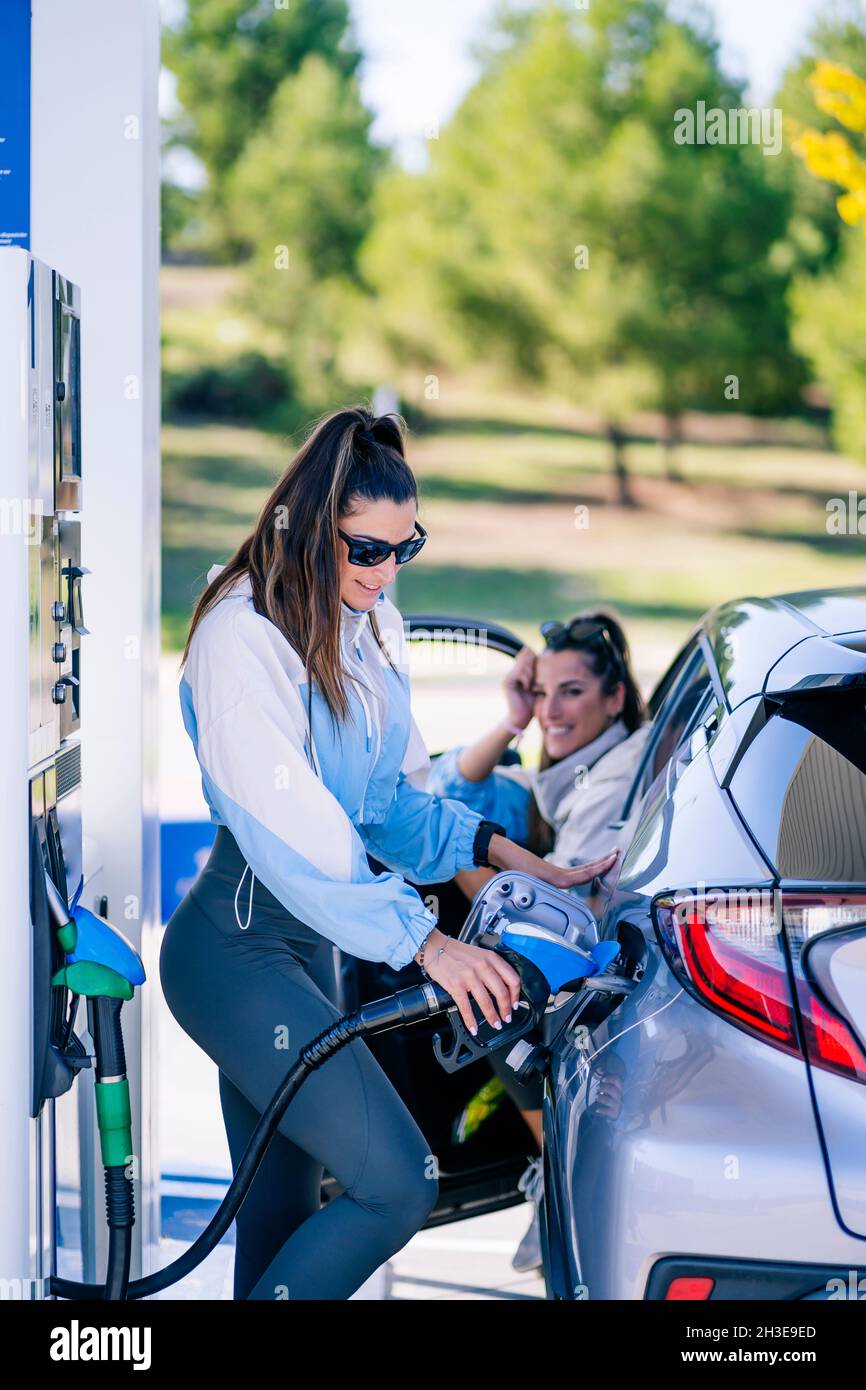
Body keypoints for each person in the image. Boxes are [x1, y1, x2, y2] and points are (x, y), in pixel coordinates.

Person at [158, 406, 619, 1301]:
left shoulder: (368, 624)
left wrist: (525, 861)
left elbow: (393, 810)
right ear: (306, 526)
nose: (384, 571)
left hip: (311, 950)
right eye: (365, 549)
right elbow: (302, 838)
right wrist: (427, 944)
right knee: (396, 1183)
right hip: (237, 951)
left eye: (403, 549)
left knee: (281, 1219)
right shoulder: (241, 637)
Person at [426, 612, 650, 1272]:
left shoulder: (616, 780)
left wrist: (454, 865)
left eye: (572, 691)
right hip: (598, 955)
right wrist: (513, 720)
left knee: (493, 991)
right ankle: (551, 1165)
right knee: (454, 837)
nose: (553, 709)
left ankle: (557, 1169)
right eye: (543, 690)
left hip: (603, 970)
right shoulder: (580, 765)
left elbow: (561, 916)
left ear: (615, 697)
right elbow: (448, 790)